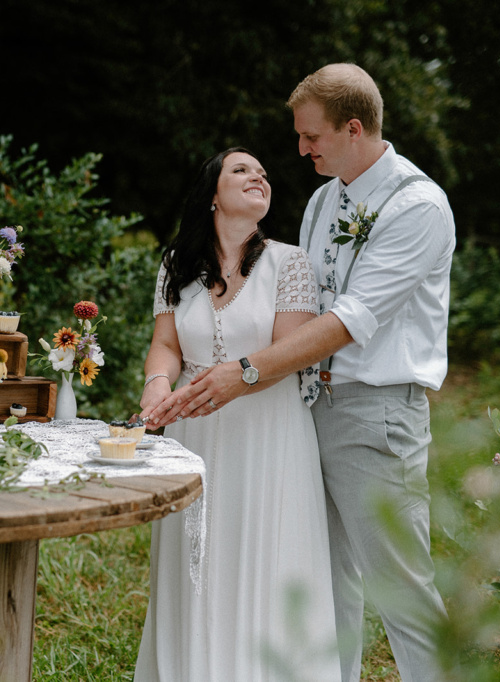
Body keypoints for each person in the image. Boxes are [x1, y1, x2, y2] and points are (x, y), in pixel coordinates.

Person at [146, 64, 455, 682]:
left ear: (353, 128)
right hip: (312, 407)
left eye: (311, 136)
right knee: (325, 579)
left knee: (400, 581)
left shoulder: (417, 205)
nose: (300, 149)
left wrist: (246, 372)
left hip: (376, 409)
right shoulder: (324, 198)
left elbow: (348, 319)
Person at [134, 147, 341, 681]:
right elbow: (166, 343)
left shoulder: (288, 262)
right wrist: (158, 385)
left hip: (268, 429)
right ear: (212, 194)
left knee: (263, 557)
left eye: (264, 173)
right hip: (190, 430)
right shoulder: (175, 265)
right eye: (242, 170)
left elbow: (287, 356)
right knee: (195, 559)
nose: (259, 177)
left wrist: (231, 383)